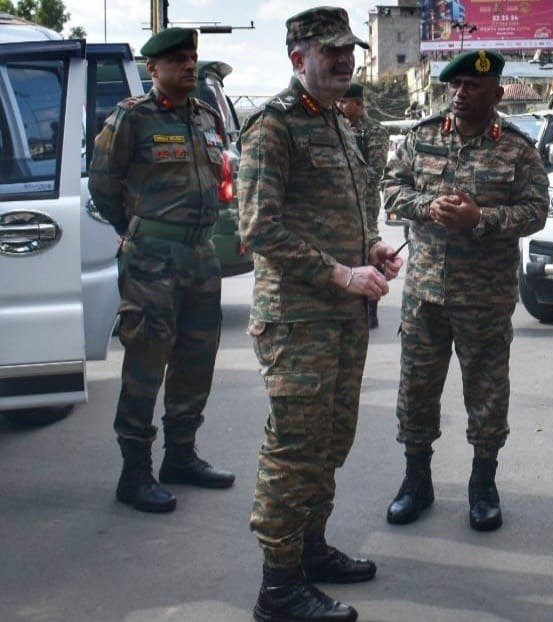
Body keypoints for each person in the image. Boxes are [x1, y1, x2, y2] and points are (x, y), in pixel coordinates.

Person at [238, 8, 402, 622]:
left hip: (341, 316)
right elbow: (258, 226)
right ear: (296, 58)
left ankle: (308, 550)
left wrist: (372, 251)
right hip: (298, 319)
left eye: (347, 50)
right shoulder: (272, 127)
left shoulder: (336, 123)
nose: (343, 59)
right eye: (328, 50)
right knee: (295, 448)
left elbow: (343, 213)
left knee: (331, 442)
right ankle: (278, 587)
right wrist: (340, 274)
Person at [381, 49, 549, 532]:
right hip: (425, 294)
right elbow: (391, 189)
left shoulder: (517, 148)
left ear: (496, 93)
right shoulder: (422, 137)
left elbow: (536, 211)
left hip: (486, 297)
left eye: (472, 87)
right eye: (454, 86)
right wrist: (427, 206)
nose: (459, 94)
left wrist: (482, 219)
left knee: (487, 393)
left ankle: (483, 485)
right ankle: (416, 481)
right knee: (417, 390)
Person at [89, 27, 235, 515]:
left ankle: (181, 456)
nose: (189, 66)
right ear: (153, 69)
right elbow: (104, 184)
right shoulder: (133, 118)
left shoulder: (206, 116)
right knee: (146, 360)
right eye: (177, 60)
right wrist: (136, 230)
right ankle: (134, 472)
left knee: (196, 358)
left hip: (200, 255)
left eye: (192, 58)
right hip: (152, 257)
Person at [337, 82, 390, 329]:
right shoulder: (337, 126)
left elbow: (375, 171)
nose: (339, 106)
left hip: (365, 202)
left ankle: (371, 308)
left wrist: (346, 179)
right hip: (340, 202)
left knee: (370, 249)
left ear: (358, 104)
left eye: (343, 102)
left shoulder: (375, 131)